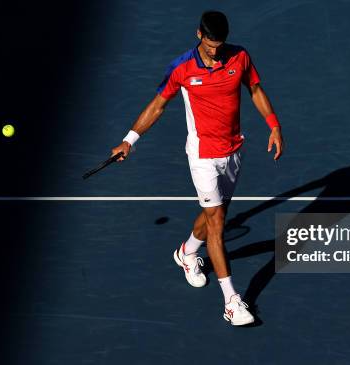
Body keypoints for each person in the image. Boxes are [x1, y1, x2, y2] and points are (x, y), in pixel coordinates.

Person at [111, 10, 283, 326]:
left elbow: (255, 90)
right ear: (198, 35)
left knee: (214, 216)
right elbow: (158, 105)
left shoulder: (240, 57)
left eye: (220, 46)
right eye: (210, 46)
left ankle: (187, 253)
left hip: (233, 152)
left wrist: (274, 125)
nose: (216, 53)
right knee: (216, 224)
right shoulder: (182, 68)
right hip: (203, 157)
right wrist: (129, 140)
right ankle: (232, 302)